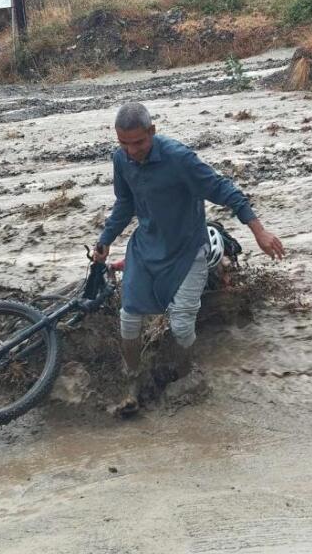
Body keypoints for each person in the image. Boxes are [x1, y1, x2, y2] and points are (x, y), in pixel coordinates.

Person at [93, 102, 285, 414]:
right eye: (124, 144)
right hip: (145, 250)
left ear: (152, 132)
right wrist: (104, 240)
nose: (132, 151)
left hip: (187, 251)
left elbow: (225, 190)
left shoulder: (178, 158)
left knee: (181, 324)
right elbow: (124, 204)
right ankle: (133, 382)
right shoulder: (122, 160)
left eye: (138, 142)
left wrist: (259, 232)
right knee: (129, 319)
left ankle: (183, 375)